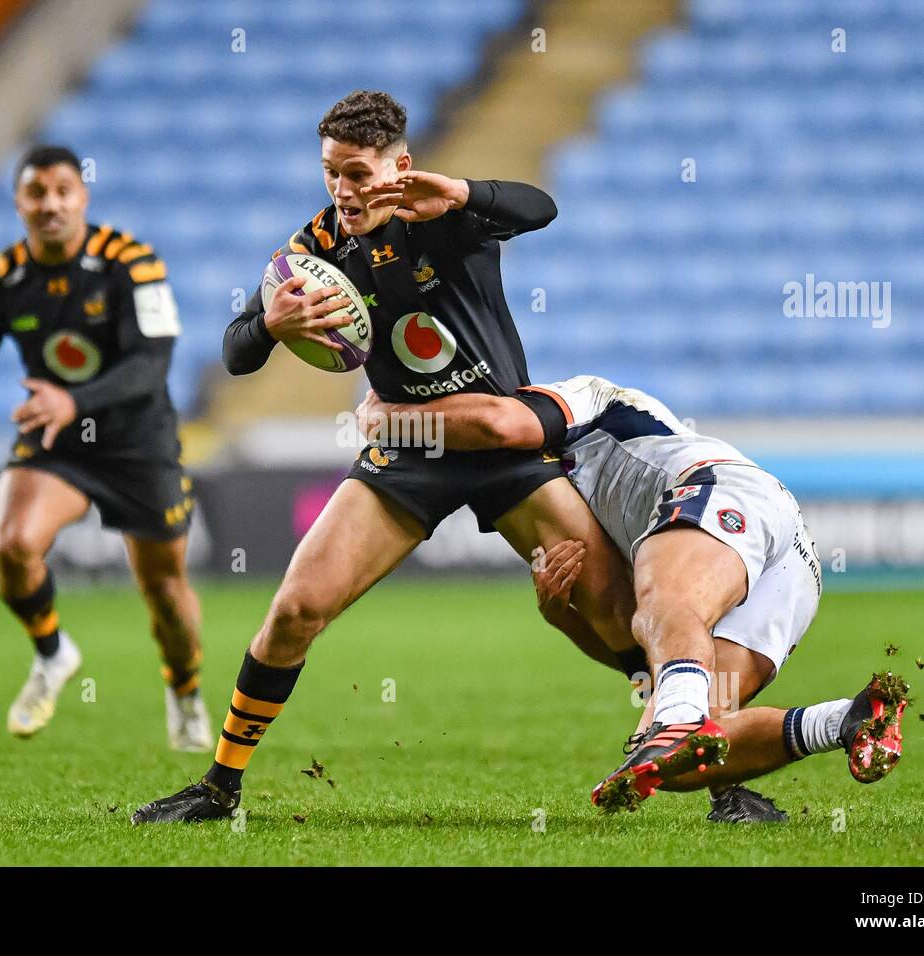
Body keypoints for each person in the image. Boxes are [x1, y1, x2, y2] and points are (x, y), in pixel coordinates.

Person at [131, 91, 637, 825]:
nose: (343, 191)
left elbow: (540, 207)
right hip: (406, 449)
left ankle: (719, 770)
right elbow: (235, 352)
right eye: (332, 173)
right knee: (296, 609)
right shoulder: (313, 248)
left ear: (399, 167)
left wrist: (462, 192)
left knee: (611, 604)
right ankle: (218, 787)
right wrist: (270, 325)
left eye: (359, 174)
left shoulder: (444, 212)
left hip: (497, 439)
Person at [357, 374, 909, 819]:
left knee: (669, 609)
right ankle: (850, 720)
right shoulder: (551, 499)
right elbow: (641, 660)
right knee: (683, 759)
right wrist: (561, 618)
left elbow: (499, 423)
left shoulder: (585, 398)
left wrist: (384, 420)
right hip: (788, 575)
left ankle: (676, 723)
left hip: (718, 490)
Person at [0, 145, 211, 751]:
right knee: (11, 544)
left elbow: (152, 365)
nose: (51, 203)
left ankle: (185, 690)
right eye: (37, 193)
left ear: (83, 196)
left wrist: (73, 402)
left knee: (164, 592)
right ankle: (53, 653)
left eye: (63, 190)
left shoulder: (131, 262)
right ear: (19, 203)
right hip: (56, 437)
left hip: (138, 440)